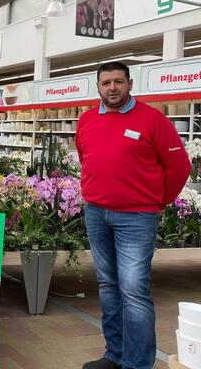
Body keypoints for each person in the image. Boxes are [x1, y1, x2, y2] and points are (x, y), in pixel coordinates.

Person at [76, 62, 191, 369]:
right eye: (105, 83)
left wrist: (157, 200)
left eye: (118, 82)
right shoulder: (87, 119)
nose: (112, 88)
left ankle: (138, 364)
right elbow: (85, 158)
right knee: (107, 285)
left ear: (129, 83)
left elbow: (180, 167)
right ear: (98, 87)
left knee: (133, 289)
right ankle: (115, 355)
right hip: (96, 213)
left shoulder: (152, 119)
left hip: (137, 217)